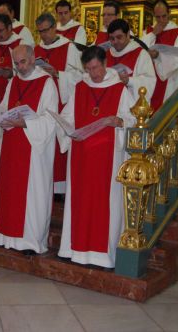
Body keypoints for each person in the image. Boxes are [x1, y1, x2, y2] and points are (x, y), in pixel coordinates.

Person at [57, 46, 136, 268]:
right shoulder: (80, 88)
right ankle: (76, 251)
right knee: (81, 202)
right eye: (89, 69)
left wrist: (119, 122)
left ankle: (103, 256)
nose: (94, 74)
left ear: (105, 63)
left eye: (97, 67)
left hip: (107, 157)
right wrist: (68, 128)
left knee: (104, 205)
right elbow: (67, 116)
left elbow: (133, 120)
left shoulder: (119, 89)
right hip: (81, 155)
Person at [0, 44, 58, 254]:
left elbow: (51, 119)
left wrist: (26, 124)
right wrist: (1, 116)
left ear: (33, 58)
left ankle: (30, 242)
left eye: (23, 62)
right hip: (12, 145)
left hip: (33, 150)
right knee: (9, 191)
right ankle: (6, 237)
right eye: (16, 63)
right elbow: (3, 107)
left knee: (32, 196)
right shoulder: (13, 82)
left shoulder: (47, 83)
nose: (20, 67)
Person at [34, 12, 83, 194]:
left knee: (58, 141)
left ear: (55, 28)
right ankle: (44, 183)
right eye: (40, 32)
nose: (44, 35)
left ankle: (59, 188)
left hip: (61, 101)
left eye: (46, 30)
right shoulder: (36, 50)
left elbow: (80, 76)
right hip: (41, 103)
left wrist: (58, 74)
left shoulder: (69, 48)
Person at [142, 1, 178, 111]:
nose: (161, 20)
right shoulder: (148, 31)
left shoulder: (177, 32)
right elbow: (140, 51)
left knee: (165, 110)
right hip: (150, 77)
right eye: (158, 17)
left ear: (169, 13)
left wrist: (158, 56)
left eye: (164, 16)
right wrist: (153, 34)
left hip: (169, 79)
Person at [106, 19, 156, 102]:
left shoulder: (141, 54)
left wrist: (129, 80)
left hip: (130, 106)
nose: (115, 42)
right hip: (109, 103)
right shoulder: (106, 54)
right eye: (112, 38)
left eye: (119, 37)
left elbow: (149, 81)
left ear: (128, 34)